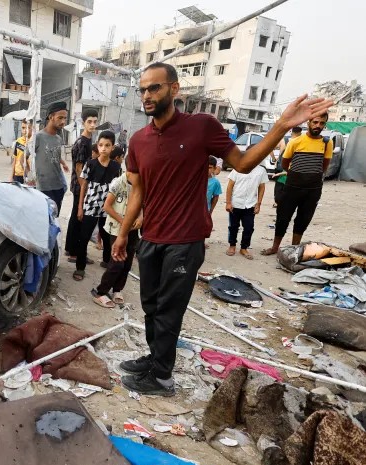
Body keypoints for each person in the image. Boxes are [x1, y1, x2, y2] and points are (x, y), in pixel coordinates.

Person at [110, 62, 332, 396]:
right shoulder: (139, 140)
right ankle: (155, 359)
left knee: (169, 311)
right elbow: (137, 192)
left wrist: (280, 127)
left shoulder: (201, 126)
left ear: (174, 89)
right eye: (142, 89)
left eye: (154, 87)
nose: (147, 95)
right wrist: (123, 234)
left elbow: (242, 163)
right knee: (151, 306)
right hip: (151, 237)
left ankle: (162, 378)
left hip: (184, 241)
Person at [261, 114, 333, 256]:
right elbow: (285, 163)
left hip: (313, 189)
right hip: (292, 186)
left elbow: (324, 165)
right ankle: (275, 247)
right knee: (283, 217)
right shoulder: (295, 141)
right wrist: (297, 174)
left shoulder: (327, 143)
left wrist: (311, 175)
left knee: (303, 219)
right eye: (315, 122)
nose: (318, 125)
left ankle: (294, 249)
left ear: (325, 125)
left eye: (321, 123)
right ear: (308, 123)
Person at [93, 155, 140, 309]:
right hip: (116, 229)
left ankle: (117, 289)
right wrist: (124, 222)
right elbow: (107, 206)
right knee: (117, 263)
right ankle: (100, 292)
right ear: (129, 169)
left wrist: (141, 218)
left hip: (133, 230)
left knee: (127, 262)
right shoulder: (118, 182)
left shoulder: (141, 183)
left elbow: (144, 205)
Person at [73, 131, 118, 281]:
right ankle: (80, 268)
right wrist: (80, 207)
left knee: (107, 236)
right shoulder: (90, 164)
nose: (104, 148)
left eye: (107, 145)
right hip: (91, 205)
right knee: (84, 237)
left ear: (112, 147)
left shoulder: (116, 167)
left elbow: (117, 188)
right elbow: (84, 186)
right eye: (101, 145)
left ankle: (106, 260)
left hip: (108, 207)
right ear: (97, 146)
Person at [66, 109, 100, 263]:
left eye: (95, 121)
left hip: (82, 186)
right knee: (78, 219)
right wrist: (84, 190)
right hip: (80, 186)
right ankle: (74, 252)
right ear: (83, 123)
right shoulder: (82, 142)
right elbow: (79, 168)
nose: (92, 125)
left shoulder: (88, 140)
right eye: (89, 122)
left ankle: (70, 248)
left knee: (76, 217)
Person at [225, 145, 269, 260]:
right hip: (236, 203)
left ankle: (244, 248)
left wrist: (258, 203)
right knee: (233, 226)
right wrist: (228, 202)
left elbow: (262, 187)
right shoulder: (238, 168)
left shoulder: (261, 171)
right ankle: (232, 245)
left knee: (249, 227)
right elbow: (230, 186)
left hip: (250, 204)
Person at [33, 101, 70, 213]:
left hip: (58, 186)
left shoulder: (58, 138)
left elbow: (55, 154)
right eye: (60, 118)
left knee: (54, 216)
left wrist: (63, 163)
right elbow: (24, 158)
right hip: (43, 187)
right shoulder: (38, 137)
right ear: (51, 117)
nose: (63, 122)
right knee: (43, 217)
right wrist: (30, 177)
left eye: (65, 118)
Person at [270, 126, 303, 208]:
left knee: (279, 187)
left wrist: (274, 158)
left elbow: (270, 148)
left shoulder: (284, 140)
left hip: (281, 166)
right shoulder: (302, 142)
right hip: (294, 167)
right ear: (300, 133)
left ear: (292, 132)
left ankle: (277, 202)